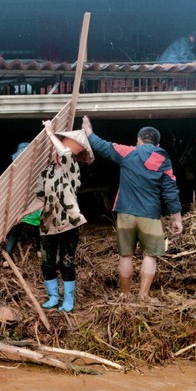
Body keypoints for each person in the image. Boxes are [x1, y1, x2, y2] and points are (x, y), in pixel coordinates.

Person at [81, 116, 183, 301]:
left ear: (138, 140)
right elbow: (170, 190)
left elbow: (102, 146)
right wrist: (177, 218)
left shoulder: (127, 153)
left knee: (125, 254)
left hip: (125, 213)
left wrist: (88, 130)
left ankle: (125, 295)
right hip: (150, 215)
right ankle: (143, 295)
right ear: (157, 143)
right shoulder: (163, 159)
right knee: (150, 255)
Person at [37, 121, 94, 312]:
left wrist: (50, 132)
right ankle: (53, 297)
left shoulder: (72, 169)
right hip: (48, 224)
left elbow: (67, 154)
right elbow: (40, 199)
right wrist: (21, 214)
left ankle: (68, 300)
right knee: (47, 263)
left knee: (66, 262)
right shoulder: (45, 172)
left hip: (69, 222)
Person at [4, 142, 42, 262]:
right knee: (38, 226)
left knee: (17, 228)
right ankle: (39, 250)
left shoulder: (15, 170)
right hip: (32, 202)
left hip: (21, 202)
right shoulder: (36, 167)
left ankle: (8, 255)